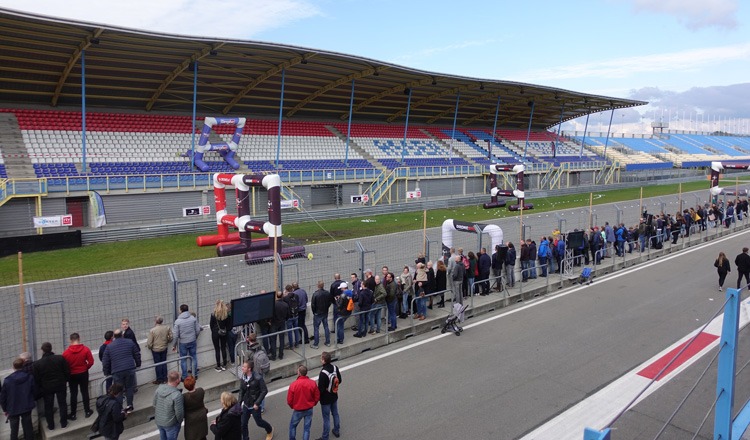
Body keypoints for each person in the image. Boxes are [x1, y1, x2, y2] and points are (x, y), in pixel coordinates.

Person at [33, 341, 70, 430]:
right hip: (60, 384)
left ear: (42, 350)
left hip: (47, 387)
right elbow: (67, 371)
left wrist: (42, 386)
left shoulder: (37, 364)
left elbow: (36, 378)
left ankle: (51, 425)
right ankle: (64, 423)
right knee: (62, 404)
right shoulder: (60, 358)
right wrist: (64, 381)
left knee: (48, 406)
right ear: (51, 348)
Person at [102, 328, 140, 413]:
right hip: (129, 368)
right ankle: (129, 406)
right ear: (122, 335)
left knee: (119, 390)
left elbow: (105, 361)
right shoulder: (130, 342)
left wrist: (106, 372)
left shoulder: (109, 346)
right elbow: (136, 354)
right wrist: (138, 364)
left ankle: (120, 408)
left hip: (117, 371)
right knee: (129, 388)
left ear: (114, 337)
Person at [1, 357, 36, 440]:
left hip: (12, 407)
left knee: (14, 430)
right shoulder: (29, 377)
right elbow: (34, 391)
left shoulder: (7, 380)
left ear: (13, 367)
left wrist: (5, 409)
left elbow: (3, 397)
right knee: (28, 428)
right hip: (27, 405)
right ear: (23, 366)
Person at [62, 332, 95, 420]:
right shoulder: (85, 349)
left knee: (73, 393)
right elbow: (91, 362)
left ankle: (73, 413)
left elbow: (64, 366)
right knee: (84, 392)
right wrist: (85, 367)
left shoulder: (66, 353)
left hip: (72, 375)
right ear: (79, 339)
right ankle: (87, 411)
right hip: (83, 373)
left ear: (70, 340)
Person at [239, 359, 274, 440]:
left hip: (255, 405)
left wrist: (257, 403)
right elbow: (241, 391)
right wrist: (239, 403)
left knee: (259, 422)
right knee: (243, 424)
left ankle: (269, 429)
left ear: (249, 369)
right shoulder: (243, 377)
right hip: (246, 404)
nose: (242, 368)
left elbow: (264, 390)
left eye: (244, 367)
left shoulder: (258, 378)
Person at [286, 364, 320, 440]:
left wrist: (293, 406)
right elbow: (317, 396)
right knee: (307, 428)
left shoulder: (293, 385)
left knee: (293, 426)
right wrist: (313, 403)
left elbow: (289, 400)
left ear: (299, 373)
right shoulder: (312, 383)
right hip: (309, 408)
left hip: (298, 410)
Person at [173, 303, 202, 380]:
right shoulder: (193, 318)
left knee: (183, 360)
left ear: (181, 310)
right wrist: (194, 336)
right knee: (194, 357)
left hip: (183, 342)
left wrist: (174, 345)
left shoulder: (178, 321)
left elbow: (175, 335)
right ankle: (195, 374)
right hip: (192, 340)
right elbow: (198, 329)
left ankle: (184, 376)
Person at [317, 351, 342, 440]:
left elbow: (321, 388)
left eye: (321, 358)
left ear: (324, 361)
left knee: (326, 418)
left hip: (325, 399)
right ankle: (336, 430)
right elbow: (340, 380)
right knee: (335, 413)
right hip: (334, 395)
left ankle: (325, 437)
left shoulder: (323, 373)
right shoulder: (335, 368)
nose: (320, 360)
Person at [154, 370, 185, 440]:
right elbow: (179, 413)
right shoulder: (177, 395)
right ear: (177, 380)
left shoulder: (159, 389)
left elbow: (154, 404)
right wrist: (179, 421)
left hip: (159, 421)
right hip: (171, 423)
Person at [147, 315, 173, 384]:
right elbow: (171, 338)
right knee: (164, 363)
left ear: (156, 321)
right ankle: (165, 378)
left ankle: (159, 379)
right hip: (164, 348)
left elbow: (149, 343)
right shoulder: (167, 328)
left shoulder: (152, 330)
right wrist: (167, 342)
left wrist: (150, 347)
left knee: (158, 364)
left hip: (155, 350)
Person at [183, 376, 209, 440]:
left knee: (192, 435)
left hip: (190, 418)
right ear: (194, 383)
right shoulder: (200, 391)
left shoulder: (184, 397)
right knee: (202, 435)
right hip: (201, 415)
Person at [210, 299, 231, 372]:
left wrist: (214, 331)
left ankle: (218, 366)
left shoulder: (213, 314)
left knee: (217, 349)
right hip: (223, 332)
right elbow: (228, 326)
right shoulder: (226, 314)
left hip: (215, 332)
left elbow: (211, 325)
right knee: (223, 348)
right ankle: (224, 365)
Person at [310, 280, 332, 349]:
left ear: (318, 286)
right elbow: (329, 302)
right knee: (326, 326)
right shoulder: (327, 293)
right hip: (325, 312)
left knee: (316, 328)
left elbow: (313, 305)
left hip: (317, 313)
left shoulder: (315, 294)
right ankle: (328, 342)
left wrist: (314, 312)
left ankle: (316, 344)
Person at [270, 291, 290, 360]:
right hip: (282, 323)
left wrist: (270, 321)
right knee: (282, 339)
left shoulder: (273, 305)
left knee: (273, 340)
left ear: (276, 296)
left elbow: (271, 315)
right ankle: (281, 355)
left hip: (274, 324)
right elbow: (288, 315)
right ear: (282, 296)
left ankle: (273, 355)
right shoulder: (285, 305)